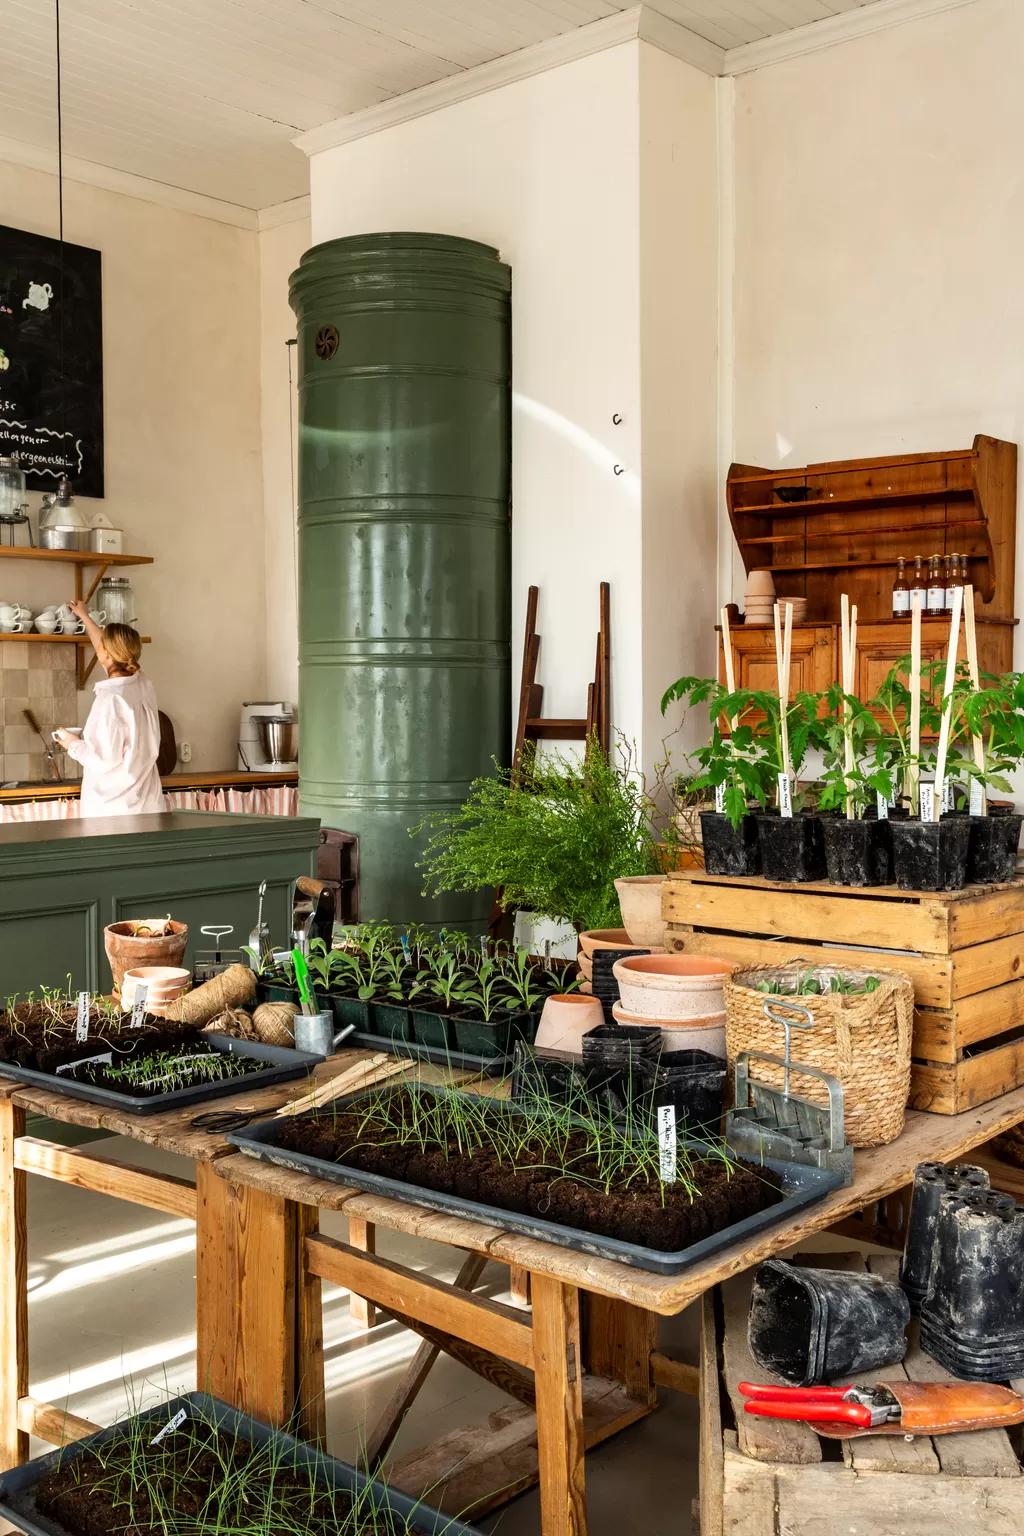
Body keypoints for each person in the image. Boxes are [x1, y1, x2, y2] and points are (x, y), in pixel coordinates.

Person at [54, 600, 165, 817]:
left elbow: (103, 760)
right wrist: (84, 616)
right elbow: (104, 648)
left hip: (113, 812)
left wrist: (71, 744)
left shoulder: (111, 700)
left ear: (106, 654)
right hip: (148, 805)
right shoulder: (143, 684)